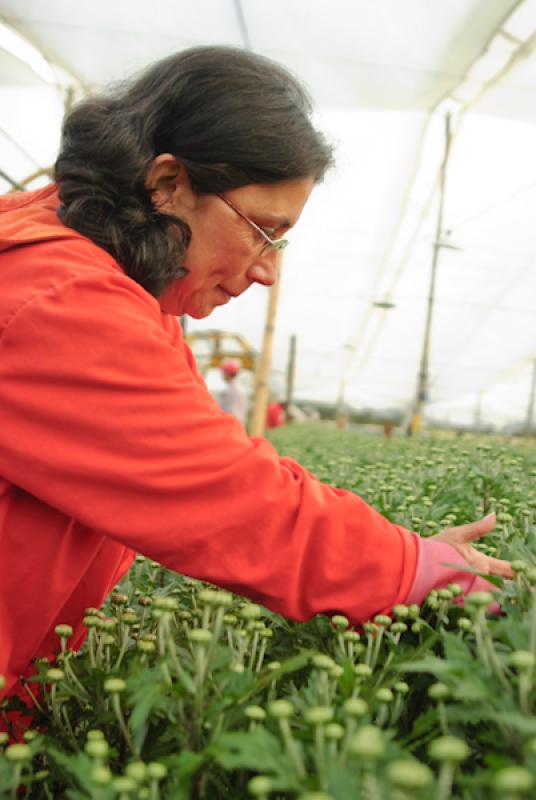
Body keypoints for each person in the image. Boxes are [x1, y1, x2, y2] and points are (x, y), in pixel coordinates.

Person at [0, 46, 512, 723]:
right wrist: (409, 570)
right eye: (263, 232)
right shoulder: (58, 298)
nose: (267, 270)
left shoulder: (99, 264)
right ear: (167, 184)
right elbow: (223, 493)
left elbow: (223, 458)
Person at [219, 360, 248, 426]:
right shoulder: (239, 388)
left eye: (224, 372)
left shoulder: (232, 390)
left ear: (227, 373)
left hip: (231, 426)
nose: (222, 374)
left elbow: (230, 412)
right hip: (237, 426)